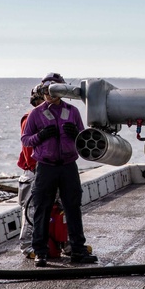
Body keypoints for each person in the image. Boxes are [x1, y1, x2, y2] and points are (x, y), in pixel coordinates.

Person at [20, 72, 97, 267]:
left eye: (53, 91)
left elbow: (84, 138)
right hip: (46, 167)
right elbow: (26, 139)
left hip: (68, 166)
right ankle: (40, 252)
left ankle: (78, 250)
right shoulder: (36, 114)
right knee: (42, 209)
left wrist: (77, 134)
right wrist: (41, 136)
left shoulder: (72, 112)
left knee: (72, 208)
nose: (50, 95)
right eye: (46, 91)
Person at [16, 84, 45, 258]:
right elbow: (28, 151)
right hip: (34, 172)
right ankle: (27, 247)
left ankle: (63, 243)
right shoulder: (30, 119)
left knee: (58, 207)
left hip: (48, 169)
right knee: (30, 210)